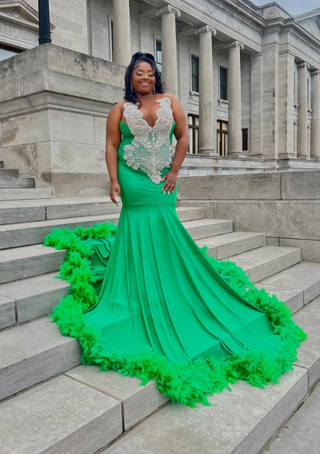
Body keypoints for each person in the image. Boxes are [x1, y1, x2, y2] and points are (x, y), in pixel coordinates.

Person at [46, 52, 307, 407]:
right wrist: (113, 180)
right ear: (130, 76)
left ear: (156, 77)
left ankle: (169, 277)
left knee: (166, 226)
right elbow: (110, 145)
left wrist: (174, 172)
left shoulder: (172, 102)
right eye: (139, 72)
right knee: (138, 224)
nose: (145, 77)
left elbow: (183, 138)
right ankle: (138, 279)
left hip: (162, 182)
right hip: (133, 180)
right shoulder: (120, 109)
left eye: (150, 73)